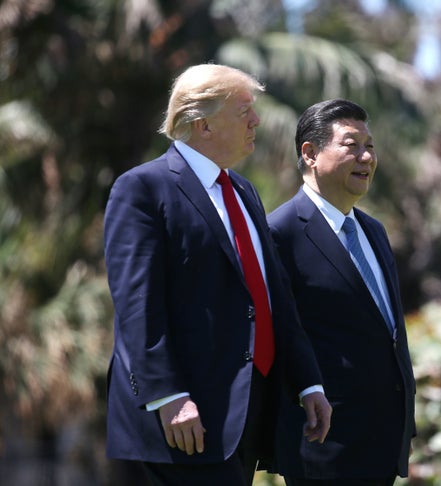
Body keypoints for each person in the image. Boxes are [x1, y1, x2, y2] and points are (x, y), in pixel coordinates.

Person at [103, 63, 331, 485]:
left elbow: (274, 296)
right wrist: (168, 395)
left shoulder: (244, 192)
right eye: (244, 110)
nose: (257, 120)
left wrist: (308, 383)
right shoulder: (142, 189)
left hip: (241, 417)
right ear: (203, 124)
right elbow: (137, 303)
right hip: (176, 424)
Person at [267, 99, 416, 485]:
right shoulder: (279, 233)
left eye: (370, 146)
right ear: (311, 153)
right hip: (322, 445)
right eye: (352, 145)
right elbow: (280, 335)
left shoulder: (374, 231)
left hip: (384, 441)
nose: (367, 156)